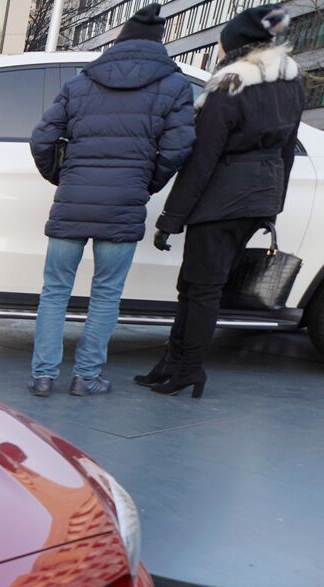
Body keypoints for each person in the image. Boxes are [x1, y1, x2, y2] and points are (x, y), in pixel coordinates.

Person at [28, 4, 195, 397]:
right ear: (159, 44)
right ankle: (86, 378)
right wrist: (145, 183)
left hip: (74, 199)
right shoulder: (174, 85)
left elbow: (42, 140)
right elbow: (179, 146)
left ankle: (42, 375)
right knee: (106, 293)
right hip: (124, 201)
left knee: (55, 290)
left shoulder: (81, 82)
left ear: (119, 42)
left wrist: (64, 177)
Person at [141, 4, 305, 397]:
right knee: (197, 284)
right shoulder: (291, 83)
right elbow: (285, 151)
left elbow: (203, 158)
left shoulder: (230, 84)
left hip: (222, 198)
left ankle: (188, 370)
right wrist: (272, 206)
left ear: (235, 45)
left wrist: (170, 218)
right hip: (256, 198)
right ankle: (172, 363)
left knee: (201, 288)